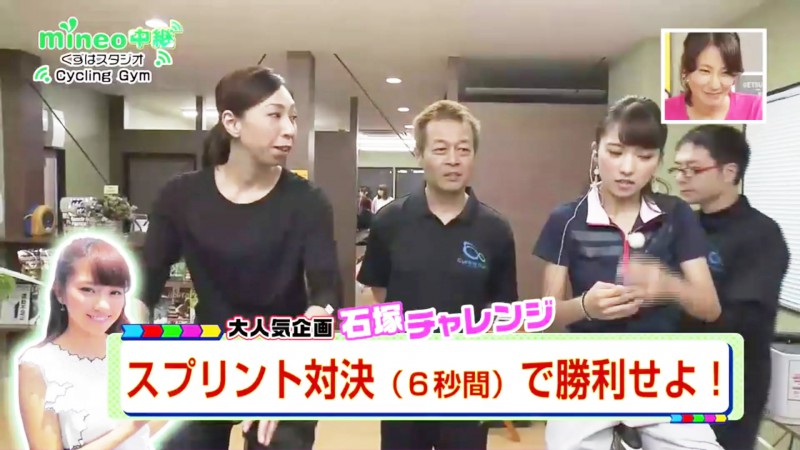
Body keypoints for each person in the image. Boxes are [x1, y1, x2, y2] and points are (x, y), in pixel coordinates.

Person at [141, 66, 342, 450]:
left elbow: (327, 295)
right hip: (209, 357)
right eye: (275, 115)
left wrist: (286, 375)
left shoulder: (308, 201)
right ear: (232, 123)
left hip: (285, 358)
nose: (289, 129)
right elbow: (143, 286)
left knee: (279, 442)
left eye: (293, 117)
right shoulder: (180, 196)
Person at [532, 96, 723, 450]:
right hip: (587, 372)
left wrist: (667, 284)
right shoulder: (567, 219)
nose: (627, 168)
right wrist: (586, 306)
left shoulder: (676, 215)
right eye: (616, 152)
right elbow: (546, 316)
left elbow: (710, 308)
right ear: (596, 152)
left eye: (644, 156)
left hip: (662, 371)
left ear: (658, 161)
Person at [357, 100, 518, 450]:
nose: (453, 160)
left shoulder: (495, 229)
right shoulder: (390, 221)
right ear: (420, 154)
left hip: (468, 386)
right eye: (441, 149)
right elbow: (377, 293)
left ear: (474, 156)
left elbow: (502, 310)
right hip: (404, 382)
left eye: (463, 149)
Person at [672, 124, 790, 450]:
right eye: (677, 168)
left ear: (729, 172)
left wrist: (671, 289)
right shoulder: (683, 226)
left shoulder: (761, 235)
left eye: (692, 169)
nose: (681, 177)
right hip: (677, 375)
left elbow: (743, 323)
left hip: (729, 382)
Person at [17, 237, 165, 450]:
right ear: (60, 292)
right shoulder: (38, 364)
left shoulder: (134, 353)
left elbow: (144, 432)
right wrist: (131, 426)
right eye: (87, 290)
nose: (103, 305)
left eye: (115, 292)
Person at [664, 32, 763, 121]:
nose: (714, 85)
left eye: (725, 72)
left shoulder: (755, 109)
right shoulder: (665, 111)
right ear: (686, 71)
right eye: (705, 71)